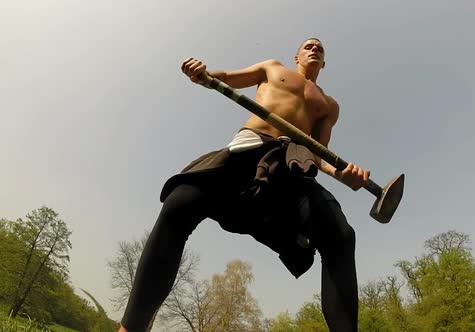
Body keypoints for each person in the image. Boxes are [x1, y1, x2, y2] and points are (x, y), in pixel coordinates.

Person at [118, 38, 369, 332]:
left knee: (340, 234)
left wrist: (342, 175)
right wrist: (203, 74)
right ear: (297, 55)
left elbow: (317, 150)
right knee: (179, 203)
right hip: (247, 150)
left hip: (293, 168)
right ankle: (132, 327)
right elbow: (224, 78)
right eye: (308, 46)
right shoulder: (272, 68)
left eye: (320, 49)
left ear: (323, 64)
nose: (314, 49)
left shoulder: (329, 105)